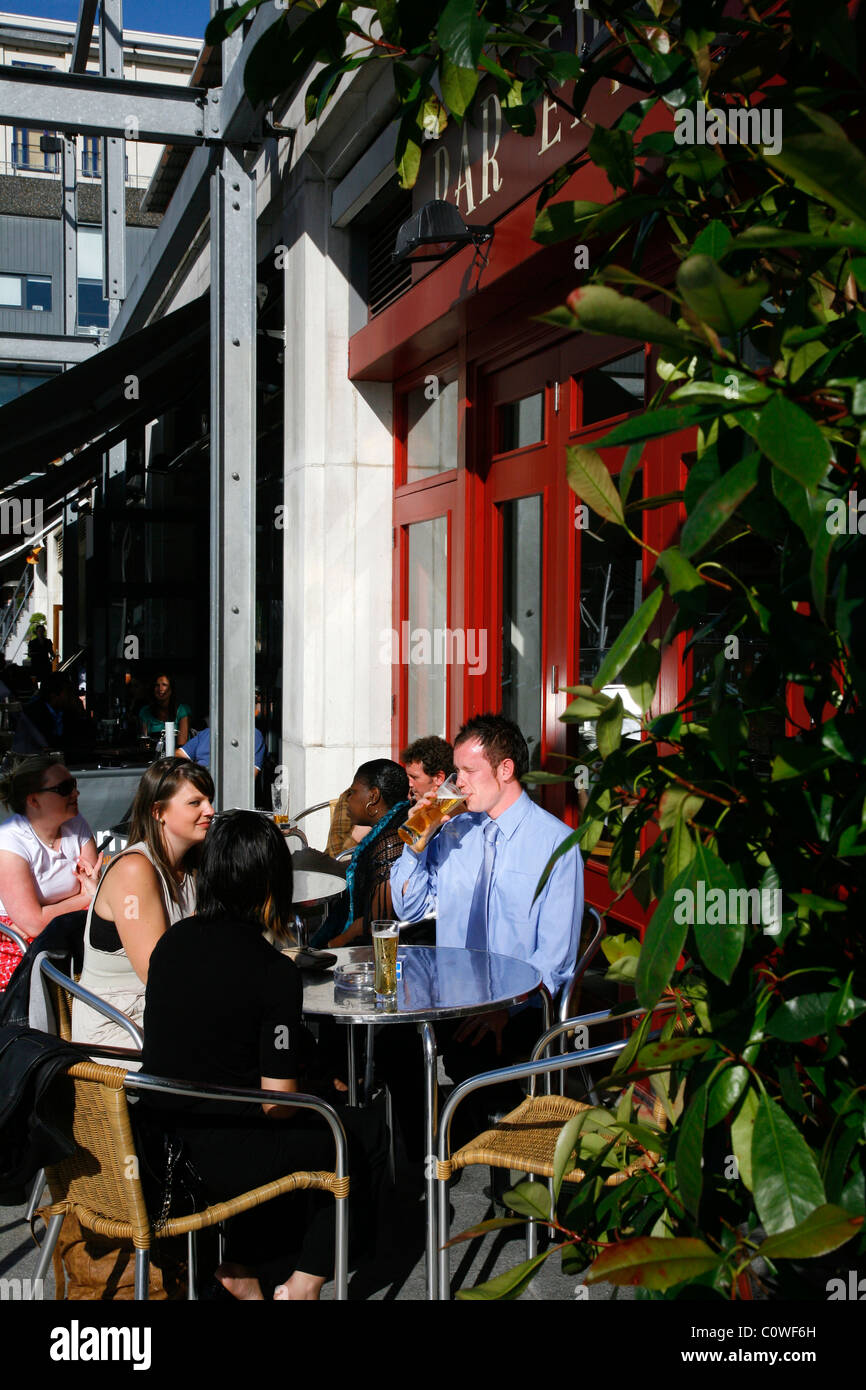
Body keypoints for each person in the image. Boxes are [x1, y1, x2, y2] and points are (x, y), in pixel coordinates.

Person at [140, 809, 385, 1301]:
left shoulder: (170, 944)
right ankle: (305, 1282)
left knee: (309, 1118)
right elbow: (276, 1102)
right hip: (223, 1153)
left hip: (158, 1137)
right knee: (356, 1132)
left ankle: (240, 1266)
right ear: (273, 882)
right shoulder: (273, 970)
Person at [384, 713, 583, 1151]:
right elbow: (408, 906)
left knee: (478, 1061)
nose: (459, 783)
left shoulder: (555, 843)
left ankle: (489, 1157)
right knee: (387, 1044)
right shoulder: (455, 829)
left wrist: (504, 1009)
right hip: (451, 994)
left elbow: (556, 958)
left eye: (469, 771)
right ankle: (430, 1176)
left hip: (517, 1004)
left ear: (505, 769)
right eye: (457, 772)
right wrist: (417, 839)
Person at [71, 758, 214, 1053]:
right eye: (195, 803)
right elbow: (159, 975)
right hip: (123, 1033)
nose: (209, 811)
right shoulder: (134, 870)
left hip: (168, 1019)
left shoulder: (192, 867)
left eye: (209, 800)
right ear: (158, 811)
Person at [0, 754, 100, 990]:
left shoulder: (76, 823)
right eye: (64, 788)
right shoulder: (9, 841)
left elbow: (100, 892)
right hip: (14, 941)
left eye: (73, 785)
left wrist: (92, 896)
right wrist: (86, 897)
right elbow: (34, 924)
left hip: (65, 932)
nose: (75, 794)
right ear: (34, 801)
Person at [320, 760, 410, 947]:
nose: (347, 800)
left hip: (366, 952)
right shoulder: (392, 824)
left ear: (373, 796)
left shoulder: (390, 842)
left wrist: (333, 944)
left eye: (352, 793)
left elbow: (378, 921)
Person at [12, 672, 95, 760]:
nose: (72, 696)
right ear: (54, 695)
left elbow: (82, 740)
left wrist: (81, 713)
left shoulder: (68, 712)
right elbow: (47, 745)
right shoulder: (34, 714)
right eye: (68, 692)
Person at [176, 723, 266, 774]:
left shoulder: (253, 735)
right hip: (200, 784)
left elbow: (250, 777)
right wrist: (196, 771)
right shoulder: (207, 733)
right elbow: (179, 754)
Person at [139, 673, 191, 748]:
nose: (160, 688)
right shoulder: (145, 711)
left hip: (176, 756)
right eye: (157, 685)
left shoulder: (182, 710)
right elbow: (144, 742)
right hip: (152, 755)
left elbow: (182, 744)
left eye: (164, 685)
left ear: (171, 689)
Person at [399, 735, 454, 803]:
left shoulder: (456, 811)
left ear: (439, 778)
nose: (410, 784)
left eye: (414, 777)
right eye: (409, 778)